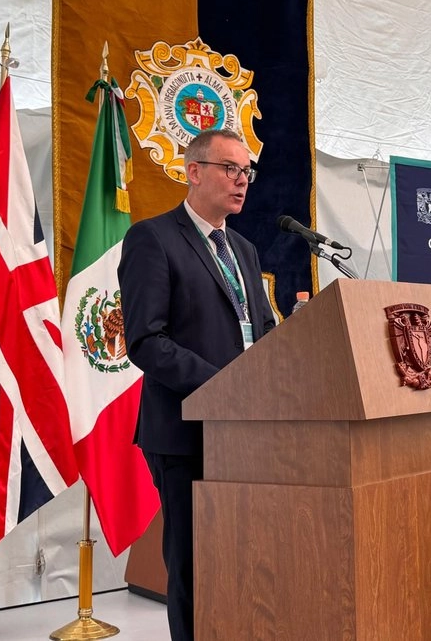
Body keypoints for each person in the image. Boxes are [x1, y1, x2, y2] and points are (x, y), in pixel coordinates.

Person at [117, 128, 275, 641]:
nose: (242, 181)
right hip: (186, 434)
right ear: (193, 172)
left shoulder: (244, 250)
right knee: (192, 566)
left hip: (247, 433)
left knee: (241, 557)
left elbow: (261, 331)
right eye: (231, 168)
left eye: (247, 171)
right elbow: (146, 340)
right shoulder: (153, 238)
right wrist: (226, 389)